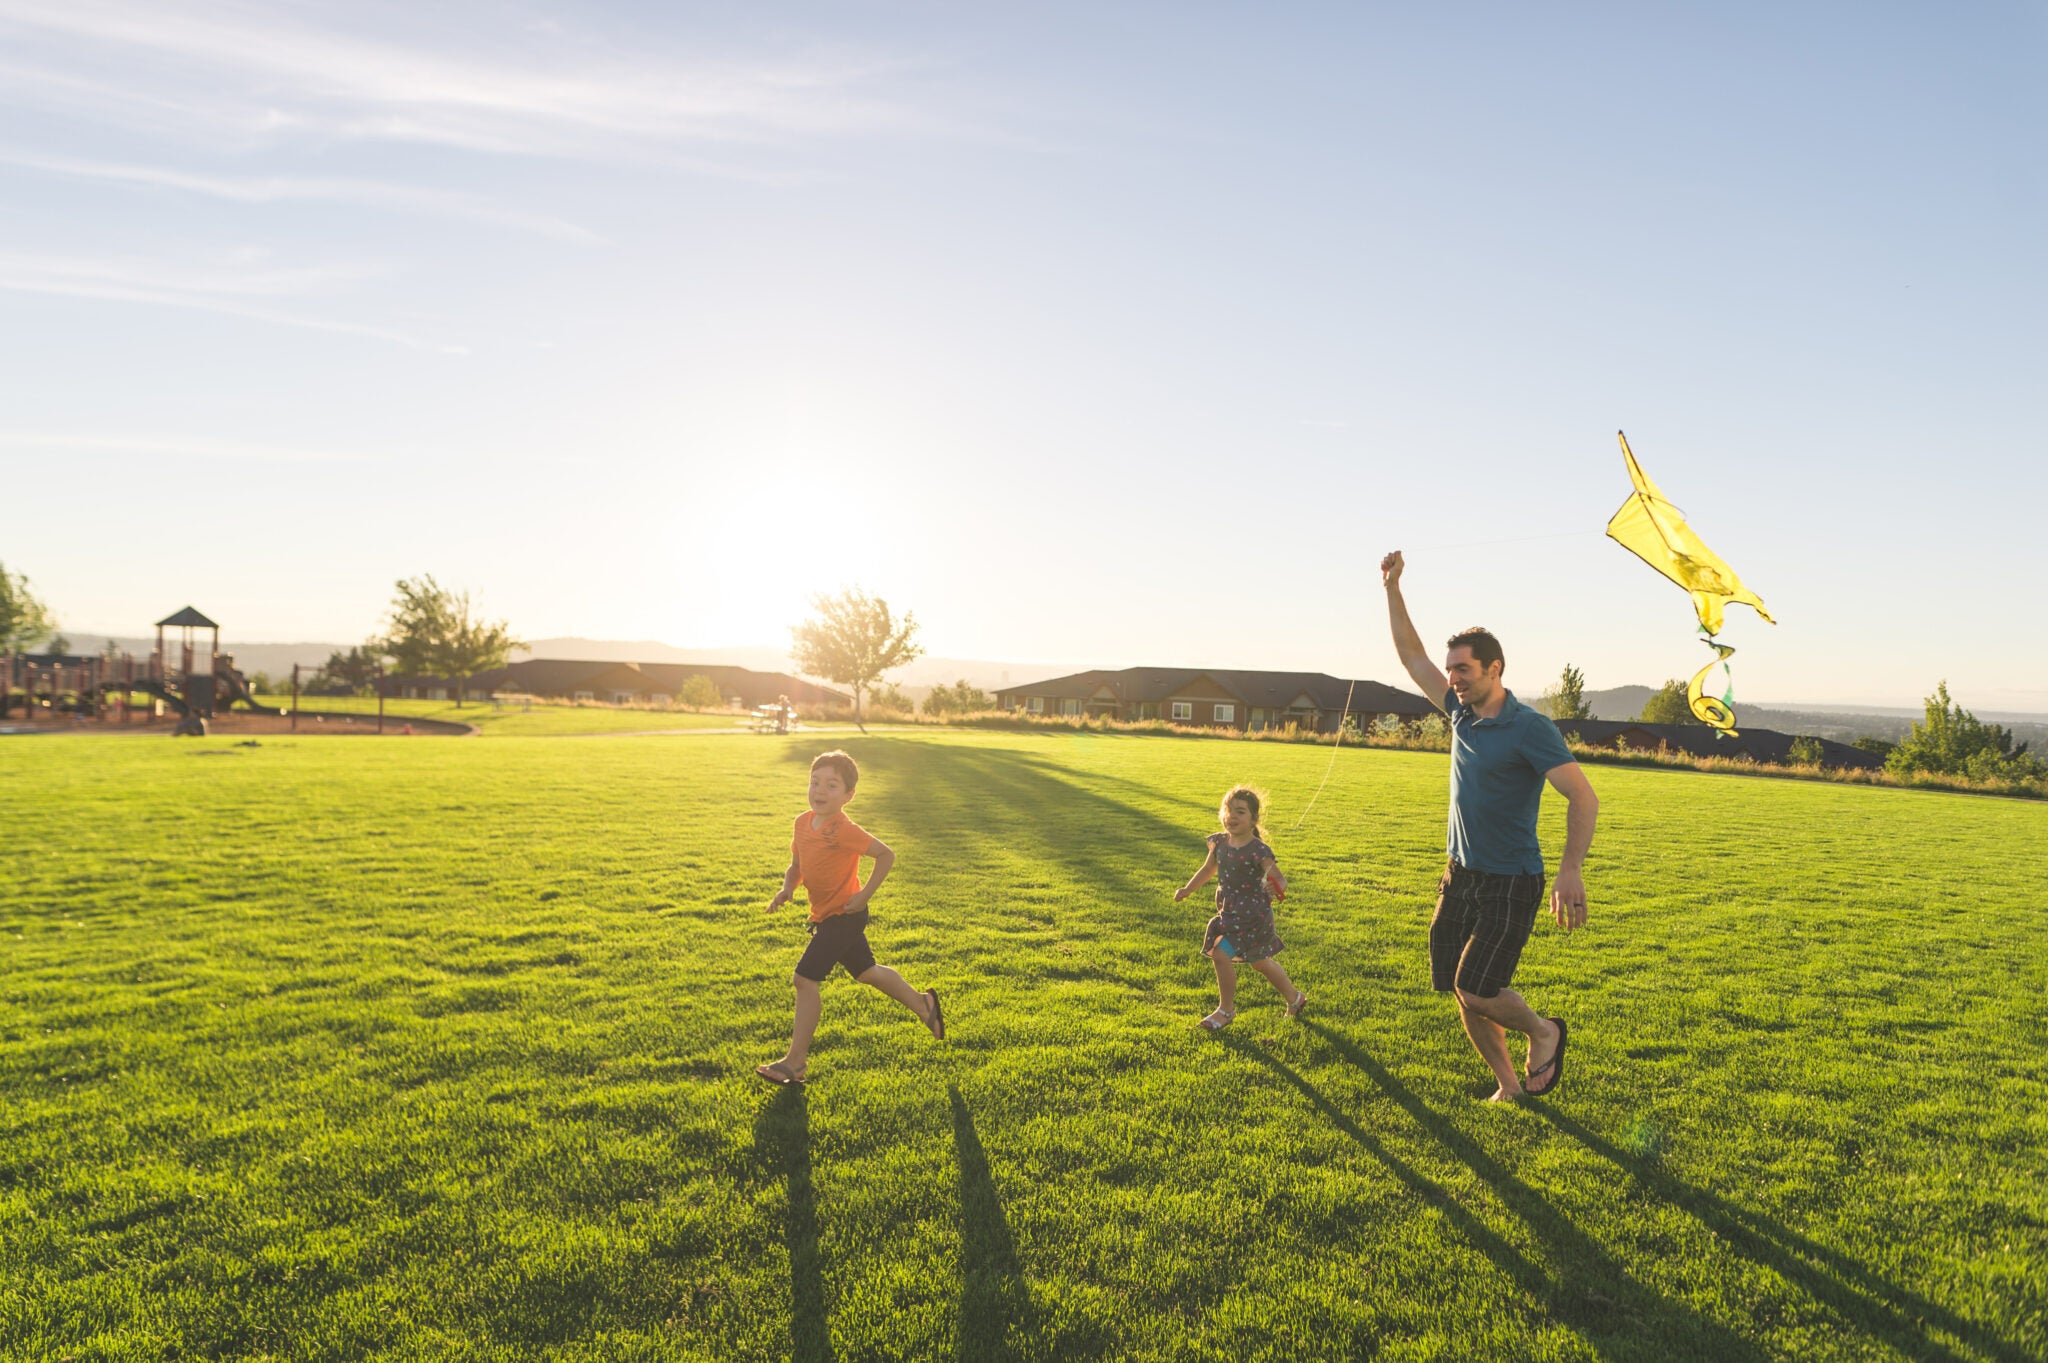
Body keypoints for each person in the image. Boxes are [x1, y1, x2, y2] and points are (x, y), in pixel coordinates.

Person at [1381, 550, 1599, 1101]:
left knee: (1476, 985)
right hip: (1460, 875)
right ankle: (1509, 1086)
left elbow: (1583, 796)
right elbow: (1411, 656)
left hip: (1510, 880)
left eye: (1463, 669)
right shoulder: (1460, 713)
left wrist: (1570, 869)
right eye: (1451, 668)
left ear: (1494, 669)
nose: (1452, 678)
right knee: (1463, 991)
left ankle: (1546, 1032)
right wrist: (1392, 588)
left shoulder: (1530, 729)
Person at [757, 750, 943, 1085]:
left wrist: (864, 896)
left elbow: (886, 854)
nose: (820, 791)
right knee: (867, 972)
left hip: (844, 915)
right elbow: (797, 866)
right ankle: (923, 1004)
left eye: (831, 785)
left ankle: (795, 1063)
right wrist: (787, 889)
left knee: (804, 979)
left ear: (848, 796)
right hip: (825, 915)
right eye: (815, 783)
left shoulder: (844, 829)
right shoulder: (802, 823)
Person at [1175, 785, 1306, 1030]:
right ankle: (1295, 998)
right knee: (1259, 962)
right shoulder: (1220, 843)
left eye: (1240, 812)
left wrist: (1276, 888)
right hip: (1229, 911)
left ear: (1253, 818)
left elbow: (1280, 878)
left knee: (1221, 954)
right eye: (1228, 810)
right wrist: (1187, 889)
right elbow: (1207, 870)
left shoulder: (1258, 850)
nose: (1232, 816)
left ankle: (1225, 1011)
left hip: (1253, 916)